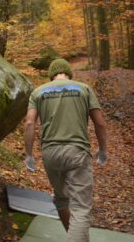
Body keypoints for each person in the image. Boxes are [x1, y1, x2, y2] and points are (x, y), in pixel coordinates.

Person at [24, 58, 108, 242]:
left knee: (62, 199)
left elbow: (30, 122)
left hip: (50, 154)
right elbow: (100, 123)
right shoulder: (84, 89)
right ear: (69, 72)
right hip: (77, 152)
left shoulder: (38, 92)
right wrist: (103, 149)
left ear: (51, 74)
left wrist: (28, 154)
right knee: (80, 208)